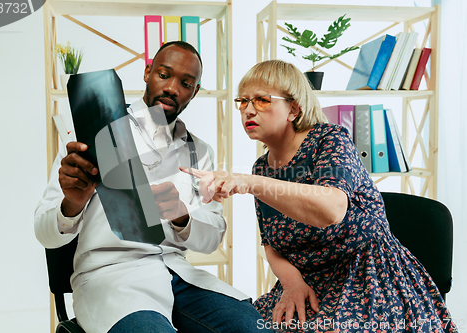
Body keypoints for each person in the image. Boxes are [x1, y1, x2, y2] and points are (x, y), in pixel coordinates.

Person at [181, 60, 456, 332]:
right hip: (306, 281)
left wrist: (249, 182)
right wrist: (292, 284)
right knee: (245, 326)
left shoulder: (330, 139)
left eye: (262, 100)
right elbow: (271, 244)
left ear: (293, 109)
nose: (248, 110)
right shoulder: (262, 168)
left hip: (366, 276)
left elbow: (331, 209)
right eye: (243, 101)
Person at [35, 41, 271, 333]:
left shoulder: (199, 151)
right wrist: (72, 204)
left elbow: (211, 239)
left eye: (186, 83)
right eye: (164, 74)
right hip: (111, 278)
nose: (172, 88)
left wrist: (183, 217)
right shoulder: (91, 135)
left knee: (255, 328)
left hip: (177, 274)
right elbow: (43, 232)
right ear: (147, 73)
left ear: (195, 92)